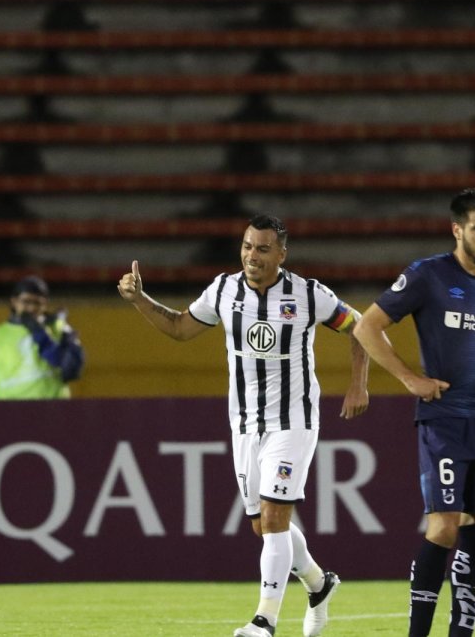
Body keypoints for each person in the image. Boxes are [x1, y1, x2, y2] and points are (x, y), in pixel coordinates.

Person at [117, 214, 370, 637]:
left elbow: (358, 325)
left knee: (273, 517)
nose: (253, 256)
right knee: (264, 524)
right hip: (244, 423)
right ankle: (319, 583)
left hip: (294, 420)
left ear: (281, 255)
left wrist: (358, 386)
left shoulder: (307, 294)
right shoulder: (223, 289)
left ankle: (263, 622)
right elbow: (181, 327)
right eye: (248, 247)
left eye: (263, 249)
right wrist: (140, 299)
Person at [353, 189, 475, 636]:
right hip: (446, 419)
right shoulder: (428, 275)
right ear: (457, 230)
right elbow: (366, 327)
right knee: (444, 528)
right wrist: (409, 378)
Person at [0, 275, 85, 399]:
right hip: (12, 411)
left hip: (53, 409)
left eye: (38, 303)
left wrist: (42, 335)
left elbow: (71, 370)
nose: (32, 308)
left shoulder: (58, 328)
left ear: (45, 304)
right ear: (14, 302)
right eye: (26, 302)